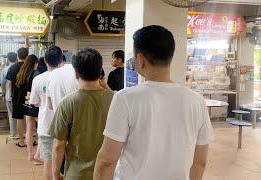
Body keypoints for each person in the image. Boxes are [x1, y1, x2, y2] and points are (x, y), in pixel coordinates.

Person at [94, 25, 213, 180]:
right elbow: (200, 162)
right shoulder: (196, 101)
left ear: (140, 59)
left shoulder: (125, 99)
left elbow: (107, 161)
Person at [49, 48, 114, 180]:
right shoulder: (115, 100)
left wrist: (55, 173)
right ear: (100, 70)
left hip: (77, 174)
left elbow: (58, 145)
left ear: (76, 72)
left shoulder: (67, 103)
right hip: (108, 173)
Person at [30, 46, 63, 180]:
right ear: (61, 60)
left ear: (45, 61)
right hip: (64, 125)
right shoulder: (66, 77)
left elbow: (35, 103)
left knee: (48, 162)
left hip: (45, 125)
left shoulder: (38, 79)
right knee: (64, 161)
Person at [15, 54, 40, 160]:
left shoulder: (21, 73)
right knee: (41, 128)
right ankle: (38, 154)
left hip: (26, 102)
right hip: (34, 102)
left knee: (29, 129)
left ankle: (30, 154)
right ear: (35, 63)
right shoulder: (35, 74)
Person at [6, 47, 29, 147]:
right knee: (30, 119)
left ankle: (22, 141)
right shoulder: (30, 68)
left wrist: (11, 95)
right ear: (27, 56)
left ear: (17, 56)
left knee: (19, 119)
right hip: (29, 97)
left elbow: (10, 83)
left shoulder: (12, 68)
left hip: (17, 97)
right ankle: (31, 140)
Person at [0, 52, 18, 139]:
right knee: (21, 115)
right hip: (20, 96)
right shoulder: (21, 68)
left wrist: (3, 94)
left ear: (7, 59)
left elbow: (2, 84)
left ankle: (13, 133)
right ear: (16, 58)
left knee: (11, 114)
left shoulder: (5, 69)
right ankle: (23, 133)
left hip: (9, 96)